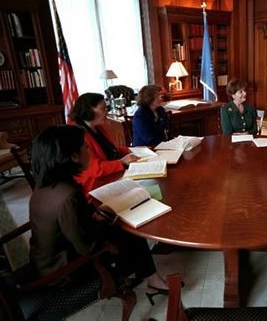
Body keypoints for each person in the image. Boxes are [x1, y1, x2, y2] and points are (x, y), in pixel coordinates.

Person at [28, 125, 168, 304]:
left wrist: (98, 218)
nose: (89, 151)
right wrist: (106, 221)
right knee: (130, 230)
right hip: (64, 272)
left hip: (46, 261)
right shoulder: (68, 196)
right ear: (73, 156)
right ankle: (152, 280)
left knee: (118, 223)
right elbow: (88, 246)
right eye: (85, 147)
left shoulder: (44, 185)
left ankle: (149, 278)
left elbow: (72, 226)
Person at [69, 93, 138, 195]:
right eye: (103, 109)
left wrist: (129, 150)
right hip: (94, 186)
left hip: (109, 176)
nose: (107, 112)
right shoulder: (77, 134)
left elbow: (108, 150)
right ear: (89, 110)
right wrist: (122, 162)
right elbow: (94, 169)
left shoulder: (97, 127)